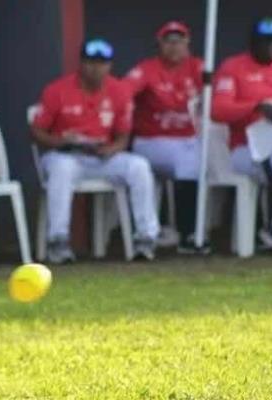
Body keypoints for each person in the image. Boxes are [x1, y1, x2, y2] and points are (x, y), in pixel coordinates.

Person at [31, 38, 160, 264]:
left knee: (139, 166)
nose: (96, 68)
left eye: (102, 63)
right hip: (66, 155)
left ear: (110, 66)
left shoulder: (119, 90)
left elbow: (123, 136)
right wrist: (61, 141)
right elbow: (35, 132)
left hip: (101, 156)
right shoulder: (57, 90)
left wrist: (112, 148)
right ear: (81, 63)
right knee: (61, 169)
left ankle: (146, 238)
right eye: (91, 62)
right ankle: (58, 241)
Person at [212, 17, 272, 256]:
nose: (271, 46)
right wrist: (256, 106)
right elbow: (218, 110)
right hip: (248, 149)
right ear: (253, 43)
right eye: (265, 41)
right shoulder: (233, 67)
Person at [125, 21, 209, 253]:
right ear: (159, 44)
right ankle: (187, 231)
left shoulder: (198, 67)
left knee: (196, 155)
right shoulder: (147, 68)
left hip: (187, 139)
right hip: (151, 140)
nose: (174, 46)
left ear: (187, 43)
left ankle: (190, 231)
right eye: (168, 41)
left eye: (179, 41)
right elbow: (123, 92)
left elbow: (215, 98)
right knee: (189, 158)